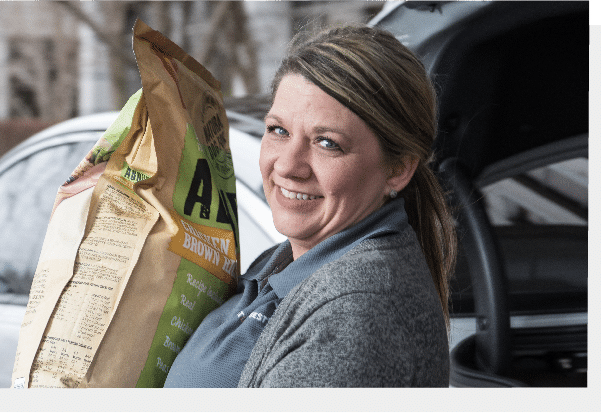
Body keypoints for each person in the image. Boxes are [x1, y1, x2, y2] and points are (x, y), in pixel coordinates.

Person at [163, 25, 457, 388]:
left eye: (327, 143)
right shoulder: (284, 262)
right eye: (278, 131)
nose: (287, 166)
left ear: (398, 170)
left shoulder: (353, 312)